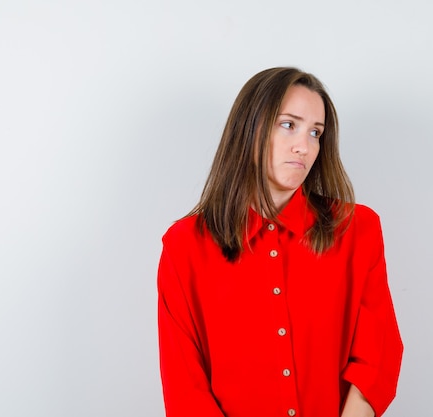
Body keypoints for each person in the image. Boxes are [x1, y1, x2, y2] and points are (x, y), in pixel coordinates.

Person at [157, 67, 403, 417]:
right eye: (289, 124)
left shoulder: (357, 228)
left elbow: (377, 356)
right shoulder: (184, 246)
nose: (304, 146)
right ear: (250, 128)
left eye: (315, 132)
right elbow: (185, 388)